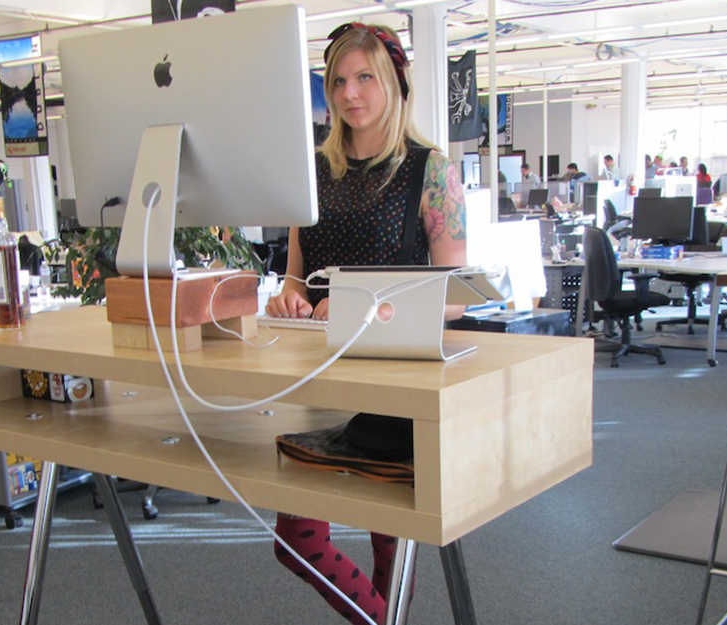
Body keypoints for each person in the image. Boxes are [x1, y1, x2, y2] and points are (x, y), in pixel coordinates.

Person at [264, 22, 467, 625]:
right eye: (338, 81)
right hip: (317, 376)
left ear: (394, 84)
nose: (350, 94)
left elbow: (454, 295)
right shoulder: (312, 174)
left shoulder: (430, 170)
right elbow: (297, 280)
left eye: (364, 78)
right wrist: (289, 302)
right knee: (295, 536)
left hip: (394, 381)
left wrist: (366, 306)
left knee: (390, 540)